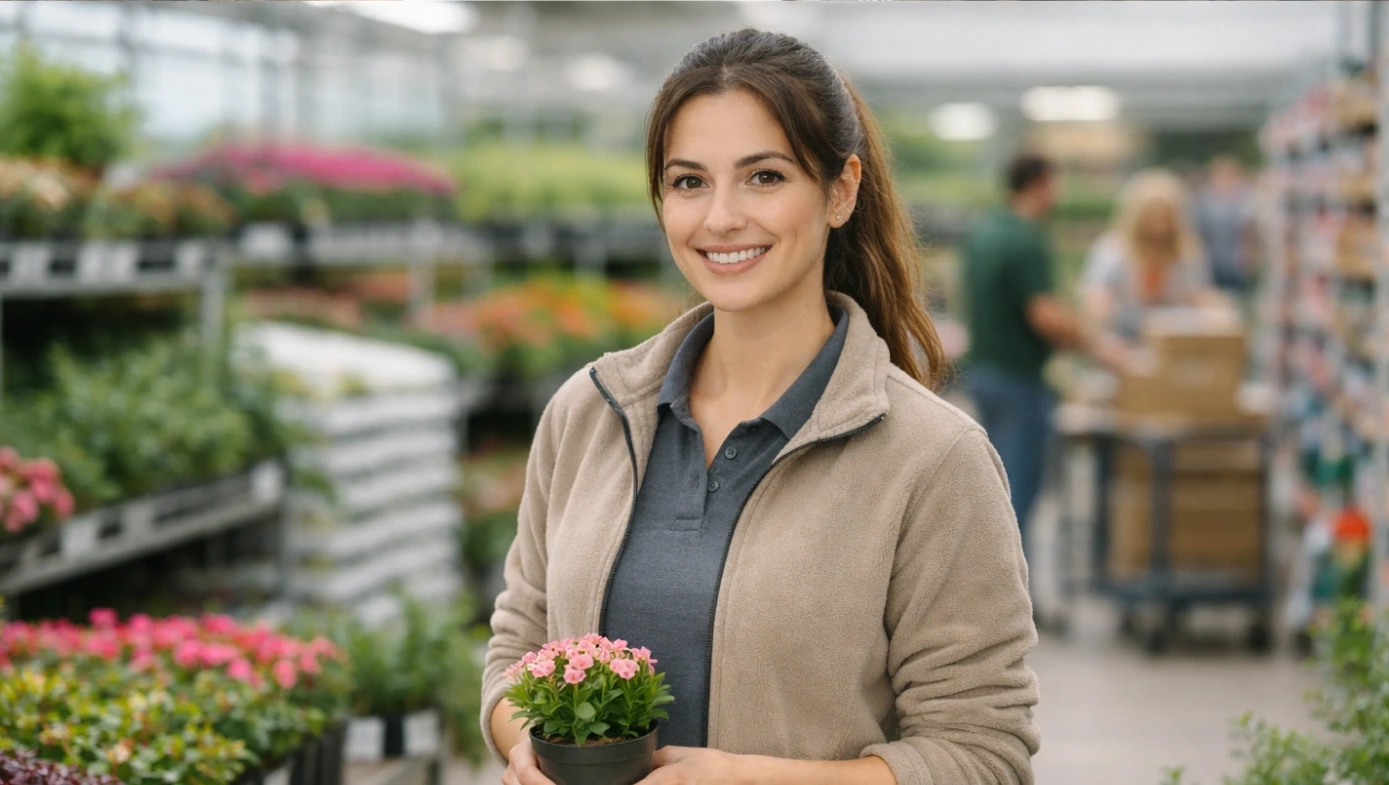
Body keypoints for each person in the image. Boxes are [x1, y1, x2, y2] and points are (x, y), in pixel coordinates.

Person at [486, 29, 1038, 785]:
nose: (719, 219)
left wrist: (753, 779)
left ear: (841, 190)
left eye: (764, 177)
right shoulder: (590, 413)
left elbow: (983, 754)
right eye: (688, 182)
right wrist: (526, 744)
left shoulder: (933, 459)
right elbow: (519, 642)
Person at [960, 153, 1125, 560]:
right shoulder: (1024, 239)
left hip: (984, 372)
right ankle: (1009, 599)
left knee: (996, 486)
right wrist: (1099, 346)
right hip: (1019, 379)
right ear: (1040, 184)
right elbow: (1045, 315)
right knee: (1018, 494)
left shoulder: (986, 231)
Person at [1081, 168, 1218, 348]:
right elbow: (1096, 297)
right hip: (1123, 342)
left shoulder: (1188, 253)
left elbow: (1200, 295)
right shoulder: (1113, 251)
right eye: (1152, 216)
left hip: (1175, 342)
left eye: (1165, 217)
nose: (1159, 225)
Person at [1192, 154, 1255, 296]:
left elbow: (1248, 229)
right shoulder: (1205, 198)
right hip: (1212, 258)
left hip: (1237, 260)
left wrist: (1249, 251)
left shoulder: (1244, 197)